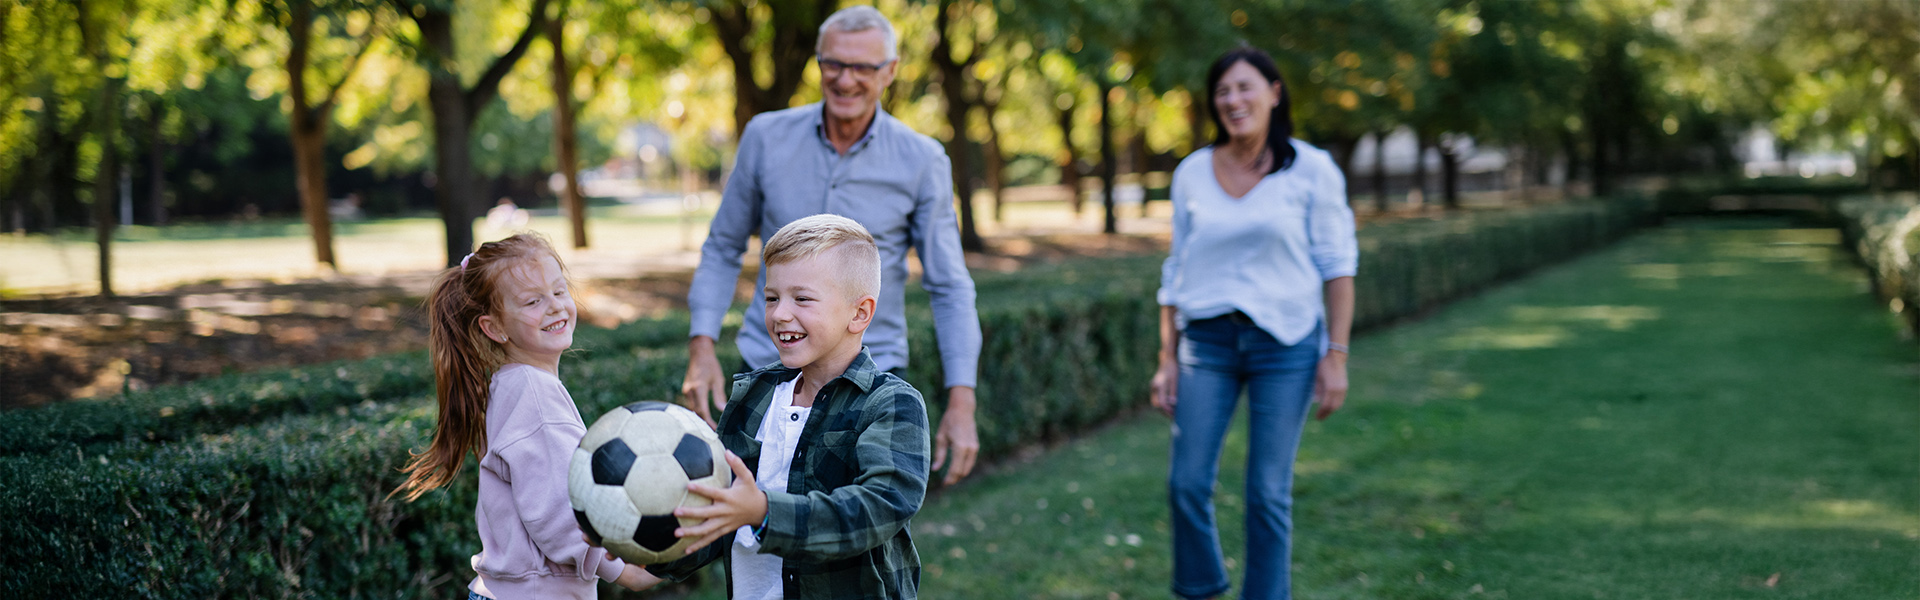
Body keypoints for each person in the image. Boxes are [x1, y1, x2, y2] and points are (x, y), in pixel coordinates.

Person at [681, 5, 982, 486]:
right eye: (834, 64)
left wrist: (962, 401)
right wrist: (702, 347)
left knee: (850, 533)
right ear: (818, 63)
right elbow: (721, 248)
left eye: (863, 67)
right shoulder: (765, 137)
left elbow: (949, 287)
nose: (846, 80)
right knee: (739, 527)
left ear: (890, 71)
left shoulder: (922, 160)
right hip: (766, 370)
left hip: (867, 384)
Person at [624, 214, 931, 598]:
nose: (780, 313)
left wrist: (765, 513)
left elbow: (876, 509)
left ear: (860, 313)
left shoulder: (891, 404)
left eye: (802, 298)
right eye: (771, 298)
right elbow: (721, 514)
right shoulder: (754, 396)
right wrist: (649, 549)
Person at [1149, 46, 1358, 600]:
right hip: (1207, 345)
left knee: (1267, 491)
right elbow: (1177, 270)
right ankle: (1200, 588)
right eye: (1222, 91)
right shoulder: (1193, 172)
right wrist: (1167, 358)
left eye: (1245, 88)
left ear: (1274, 92)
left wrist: (1335, 355)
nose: (1233, 100)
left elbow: (1338, 267)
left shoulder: (1312, 170)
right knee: (1187, 483)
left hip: (1285, 345)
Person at [391, 233, 651, 599]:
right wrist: (624, 570)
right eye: (533, 301)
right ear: (494, 327)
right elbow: (558, 513)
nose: (555, 307)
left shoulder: (514, 384)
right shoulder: (534, 394)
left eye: (559, 292)